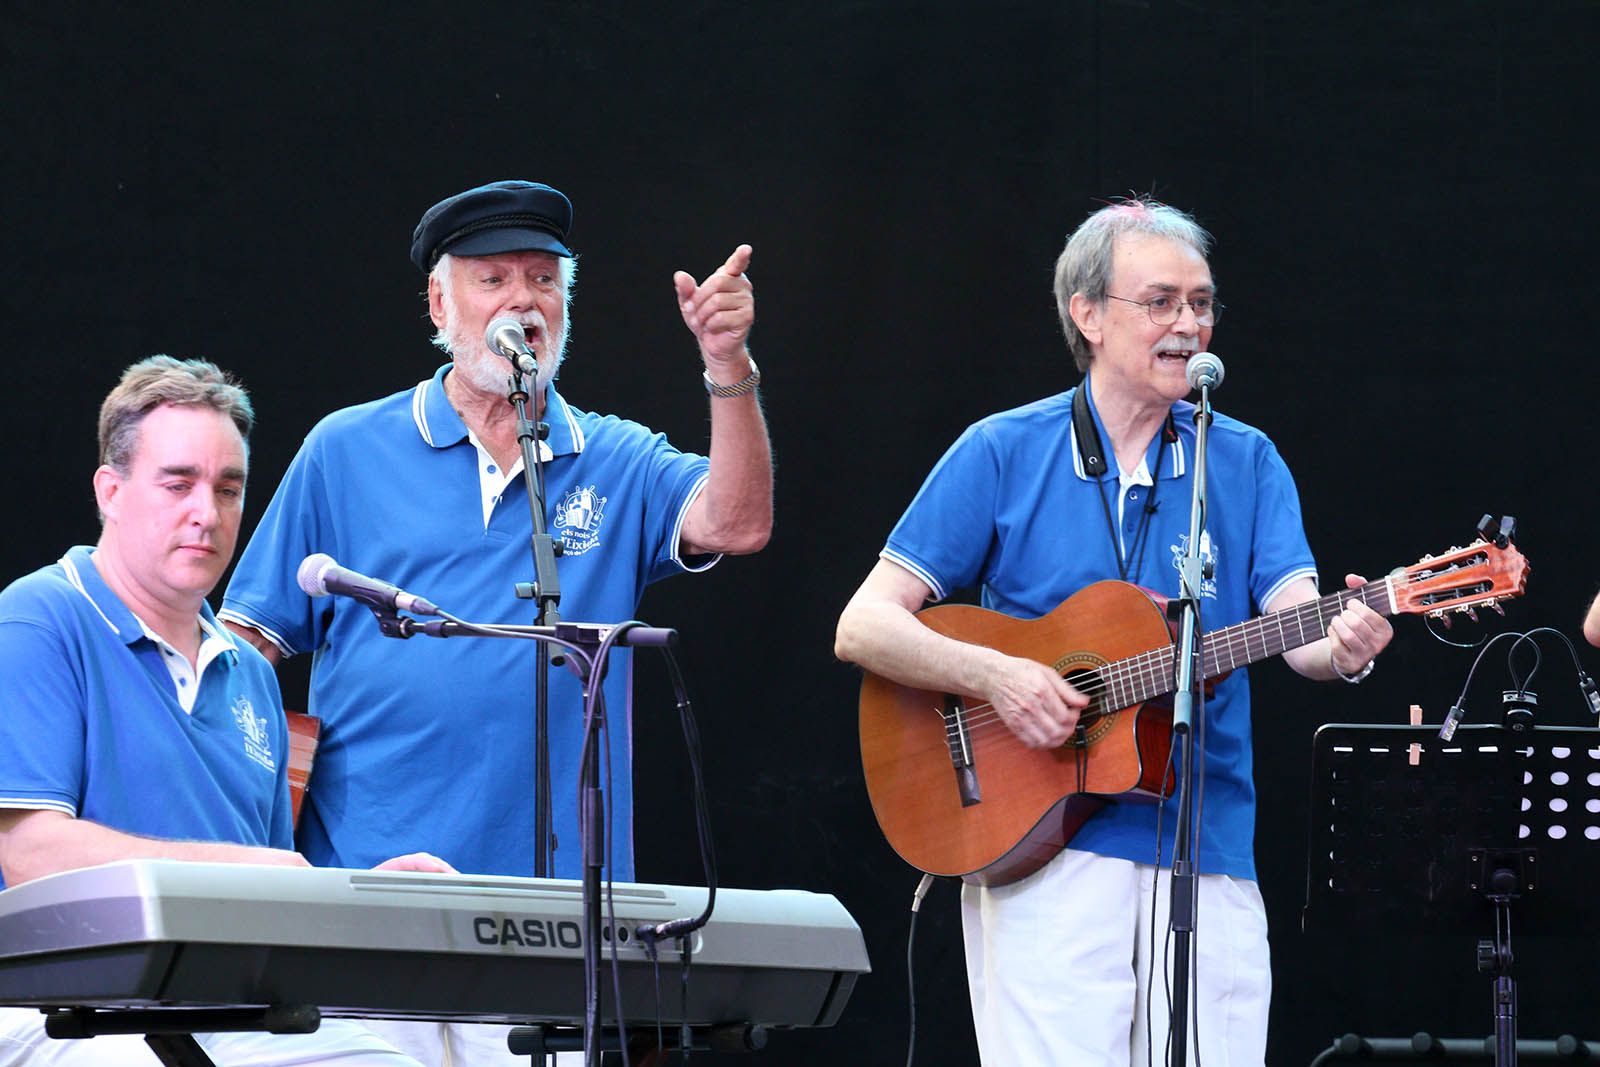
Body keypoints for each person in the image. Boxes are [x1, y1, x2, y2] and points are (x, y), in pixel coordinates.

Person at [219, 180, 772, 1064]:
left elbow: (737, 521)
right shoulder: (346, 450)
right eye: (493, 279)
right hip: (371, 905)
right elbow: (243, 650)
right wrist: (267, 843)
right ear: (440, 302)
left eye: (543, 279)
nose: (523, 300)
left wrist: (726, 366)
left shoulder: (612, 457)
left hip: (552, 932)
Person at [834, 199, 1394, 1067]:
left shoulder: (1243, 459)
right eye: (1161, 301)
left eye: (1202, 303)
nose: (1189, 324)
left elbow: (1296, 631)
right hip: (1044, 847)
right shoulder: (1003, 449)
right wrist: (1000, 678)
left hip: (1206, 851)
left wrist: (1346, 646)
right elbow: (864, 624)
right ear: (1087, 315)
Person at [0, 356, 450, 1066]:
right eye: (178, 483)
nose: (206, 513)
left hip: (230, 1007)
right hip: (62, 1007)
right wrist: (253, 869)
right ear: (109, 491)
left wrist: (361, 896)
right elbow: (27, 854)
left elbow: (268, 890)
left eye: (228, 488)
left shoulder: (252, 678)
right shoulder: (37, 619)